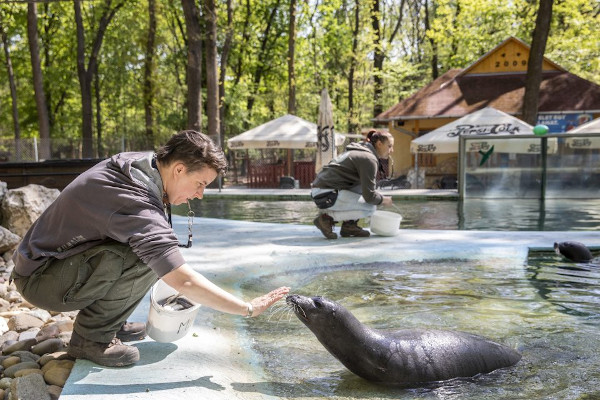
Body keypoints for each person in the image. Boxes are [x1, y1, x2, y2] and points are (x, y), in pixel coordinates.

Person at [11, 130, 290, 367]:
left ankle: (110, 321)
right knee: (148, 257)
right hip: (41, 279)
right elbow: (183, 279)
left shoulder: (142, 165)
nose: (200, 194)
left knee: (145, 246)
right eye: (200, 183)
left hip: (47, 265)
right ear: (179, 169)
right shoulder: (136, 198)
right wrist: (247, 308)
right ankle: (90, 339)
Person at [311, 129, 394, 239]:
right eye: (389, 146)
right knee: (371, 207)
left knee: (360, 189)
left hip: (321, 192)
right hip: (326, 194)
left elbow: (363, 190)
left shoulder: (359, 151)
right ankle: (327, 218)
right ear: (379, 144)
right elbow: (369, 197)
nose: (392, 150)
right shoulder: (369, 159)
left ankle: (349, 226)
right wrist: (383, 199)